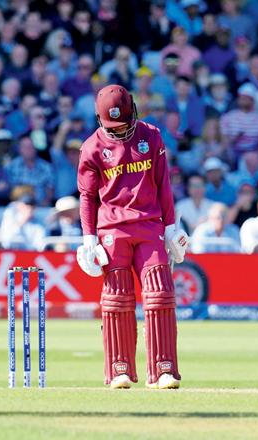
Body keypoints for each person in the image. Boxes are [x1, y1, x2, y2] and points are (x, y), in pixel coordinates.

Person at [76, 85, 188, 390]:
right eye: (114, 127)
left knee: (160, 294)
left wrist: (171, 227)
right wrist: (88, 239)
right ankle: (118, 369)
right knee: (116, 300)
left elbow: (163, 183)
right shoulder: (91, 148)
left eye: (125, 125)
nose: (121, 133)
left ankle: (164, 369)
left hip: (150, 225)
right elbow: (87, 197)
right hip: (113, 231)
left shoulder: (151, 136)